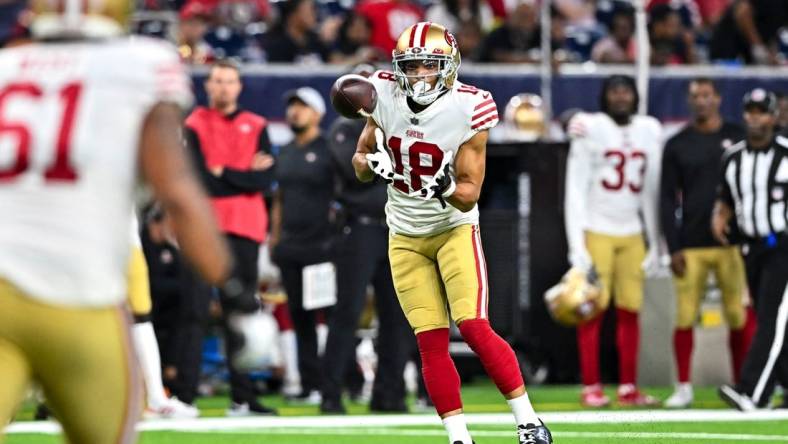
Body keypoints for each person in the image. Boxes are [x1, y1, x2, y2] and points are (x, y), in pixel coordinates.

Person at [0, 1, 267, 441]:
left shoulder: (9, 65)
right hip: (79, 298)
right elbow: (178, 194)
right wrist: (237, 296)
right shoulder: (140, 64)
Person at [355, 22, 552, 444]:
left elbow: (468, 194)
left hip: (451, 229)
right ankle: (459, 438)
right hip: (404, 234)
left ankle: (528, 422)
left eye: (429, 65)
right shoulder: (383, 93)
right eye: (412, 66)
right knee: (430, 342)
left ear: (449, 66)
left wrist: (442, 186)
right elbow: (358, 157)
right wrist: (373, 164)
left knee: (475, 327)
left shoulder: (469, 107)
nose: (420, 74)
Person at [184, 59, 277, 416]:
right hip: (202, 228)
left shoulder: (257, 125)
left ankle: (244, 397)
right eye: (218, 81)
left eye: (230, 81)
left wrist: (223, 172)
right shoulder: (193, 123)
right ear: (208, 86)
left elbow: (266, 180)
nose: (223, 87)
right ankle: (183, 395)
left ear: (239, 87)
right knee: (193, 312)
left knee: (241, 313)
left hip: (244, 228)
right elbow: (197, 179)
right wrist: (242, 175)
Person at [564, 75, 663, 408]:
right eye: (614, 91)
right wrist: (577, 245)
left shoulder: (650, 128)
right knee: (591, 310)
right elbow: (574, 190)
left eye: (626, 90)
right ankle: (591, 385)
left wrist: (655, 240)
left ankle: (628, 387)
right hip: (597, 228)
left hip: (632, 231)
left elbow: (651, 190)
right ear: (604, 96)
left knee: (630, 311)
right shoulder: (588, 125)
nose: (621, 97)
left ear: (635, 96)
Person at [320, 68, 414, 415]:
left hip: (395, 227)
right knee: (347, 312)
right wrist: (392, 160)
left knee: (397, 315)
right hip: (358, 230)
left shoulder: (396, 127)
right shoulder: (344, 130)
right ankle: (332, 393)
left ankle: (390, 394)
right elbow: (355, 172)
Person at [659, 78, 754, 408]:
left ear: (718, 98)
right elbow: (667, 199)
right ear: (689, 101)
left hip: (734, 243)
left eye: (706, 95)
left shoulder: (739, 135)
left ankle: (747, 384)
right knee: (685, 316)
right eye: (695, 96)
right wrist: (672, 246)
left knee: (739, 315)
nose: (701, 101)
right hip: (692, 243)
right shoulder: (678, 144)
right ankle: (683, 386)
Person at [715, 89, 788, 411]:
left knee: (771, 321)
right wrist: (720, 217)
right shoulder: (732, 157)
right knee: (773, 320)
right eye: (751, 111)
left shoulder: (786, 154)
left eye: (762, 111)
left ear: (774, 116)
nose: (756, 117)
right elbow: (726, 199)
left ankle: (753, 392)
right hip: (751, 248)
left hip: (784, 246)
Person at [269, 87, 336, 405]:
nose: (295, 112)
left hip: (321, 246)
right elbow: (279, 197)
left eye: (303, 107)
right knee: (300, 317)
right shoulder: (285, 151)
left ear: (318, 113)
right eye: (292, 106)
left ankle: (340, 379)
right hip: (291, 246)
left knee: (330, 315)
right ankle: (311, 383)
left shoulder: (328, 149)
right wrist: (274, 236)